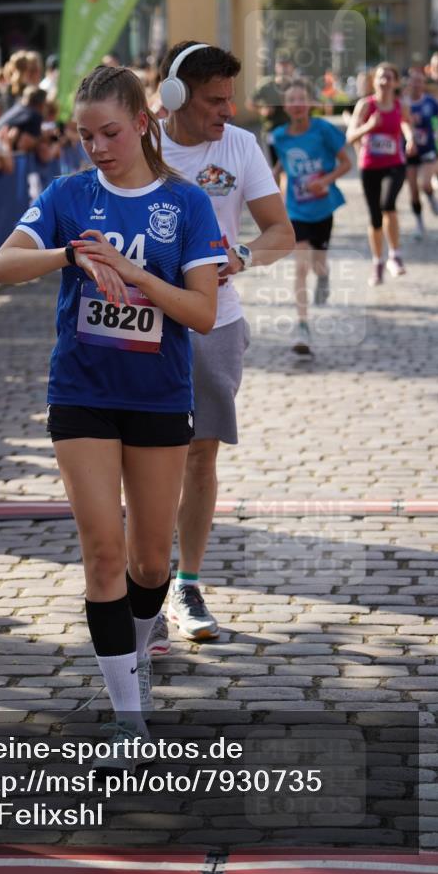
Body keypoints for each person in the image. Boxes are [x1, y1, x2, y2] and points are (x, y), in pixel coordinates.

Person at [0, 65, 227, 762]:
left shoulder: (184, 206)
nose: (96, 147)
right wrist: (68, 256)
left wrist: (142, 279)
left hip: (157, 394)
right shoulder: (68, 195)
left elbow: (203, 314)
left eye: (109, 132)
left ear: (143, 123)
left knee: (151, 563)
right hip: (81, 393)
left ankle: (140, 645)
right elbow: (1, 266)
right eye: (85, 135)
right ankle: (128, 717)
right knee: (104, 555)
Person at [146, 40, 294, 650]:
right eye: (214, 100)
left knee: (200, 457)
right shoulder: (139, 142)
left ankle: (187, 582)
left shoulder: (241, 145)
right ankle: (143, 589)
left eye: (230, 98)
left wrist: (242, 257)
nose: (227, 110)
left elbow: (281, 230)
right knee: (150, 459)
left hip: (216, 323)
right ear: (176, 96)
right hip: (144, 325)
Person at [272, 80, 351, 355]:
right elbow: (281, 165)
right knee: (301, 266)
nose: (296, 104)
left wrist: (326, 180)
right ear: (285, 106)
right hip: (296, 210)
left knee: (318, 264)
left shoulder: (324, 130)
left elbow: (346, 162)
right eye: (291, 99)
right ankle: (302, 324)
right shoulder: (279, 135)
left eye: (301, 98)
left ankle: (325, 276)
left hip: (323, 208)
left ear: (310, 103)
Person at [346, 62, 417, 285]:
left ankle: (395, 256)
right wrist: (369, 126)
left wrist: (410, 138)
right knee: (375, 218)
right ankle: (378, 262)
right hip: (369, 166)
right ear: (374, 81)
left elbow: (406, 124)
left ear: (396, 82)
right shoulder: (365, 106)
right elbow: (350, 137)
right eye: (380, 77)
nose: (385, 81)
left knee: (388, 204)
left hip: (394, 164)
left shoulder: (400, 105)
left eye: (389, 77)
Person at [403, 65, 438, 238]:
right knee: (413, 190)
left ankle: (432, 199)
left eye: (420, 81)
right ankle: (419, 224)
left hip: (429, 149)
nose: (416, 84)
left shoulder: (430, 102)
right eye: (413, 81)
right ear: (408, 83)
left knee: (425, 183)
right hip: (410, 151)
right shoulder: (403, 103)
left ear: (424, 83)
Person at [247, 52, 296, 165]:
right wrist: (262, 110)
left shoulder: (298, 85)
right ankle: (277, 183)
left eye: (286, 65)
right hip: (271, 130)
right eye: (281, 65)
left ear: (291, 67)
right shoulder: (266, 85)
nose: (284, 68)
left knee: (291, 163)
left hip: (293, 130)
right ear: (276, 67)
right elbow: (250, 103)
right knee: (274, 165)